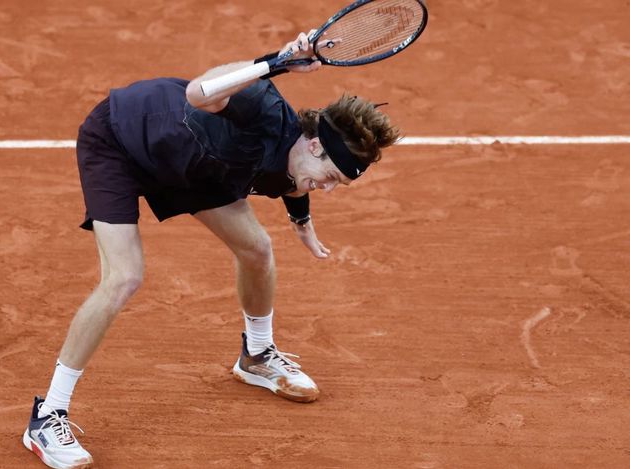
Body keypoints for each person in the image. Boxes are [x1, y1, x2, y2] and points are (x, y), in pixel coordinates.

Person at [22, 32, 400, 469]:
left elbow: (292, 180)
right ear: (313, 144)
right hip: (123, 142)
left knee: (257, 250)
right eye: (330, 176)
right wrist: (275, 62)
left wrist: (302, 220)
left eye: (339, 184)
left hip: (194, 170)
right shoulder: (261, 107)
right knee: (124, 277)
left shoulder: (298, 159)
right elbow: (198, 92)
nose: (329, 189)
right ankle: (47, 415)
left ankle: (256, 356)